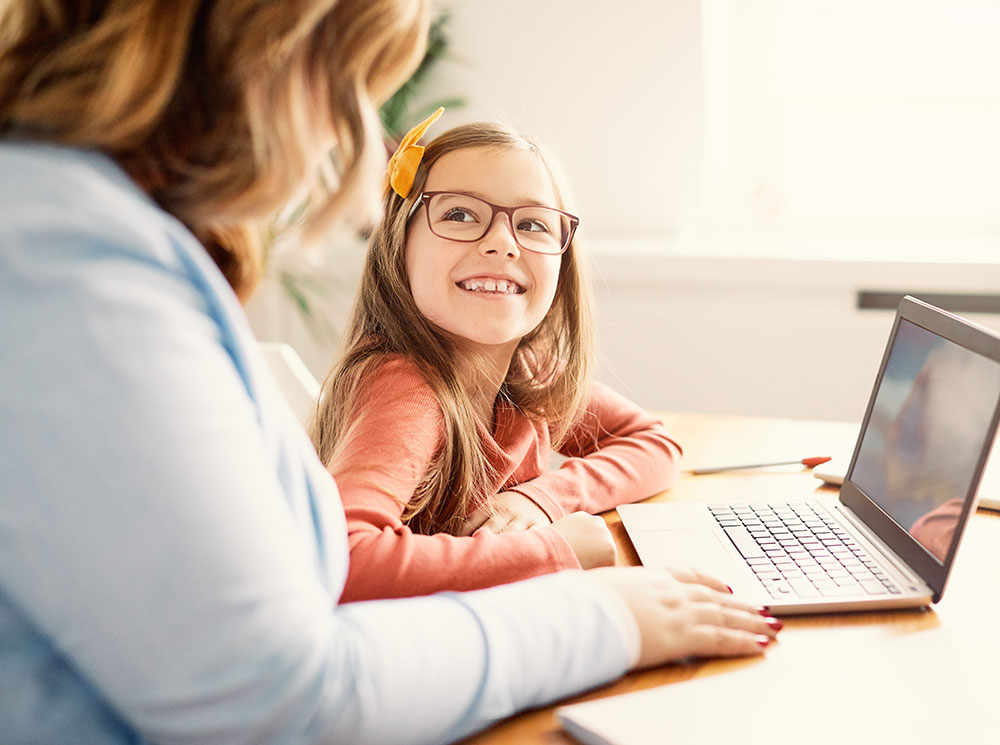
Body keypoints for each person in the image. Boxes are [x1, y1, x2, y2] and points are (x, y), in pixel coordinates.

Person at [0, 3, 781, 744]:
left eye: (531, 224)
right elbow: (280, 693)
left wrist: (542, 503)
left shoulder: (92, 239)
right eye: (347, 80)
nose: (365, 144)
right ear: (252, 49)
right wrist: (598, 609)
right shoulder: (65, 259)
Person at [312, 114, 685, 602]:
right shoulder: (405, 386)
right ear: (398, 245)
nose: (501, 243)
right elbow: (344, 560)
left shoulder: (525, 372)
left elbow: (655, 444)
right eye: (460, 214)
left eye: (532, 224)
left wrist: (544, 497)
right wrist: (553, 551)